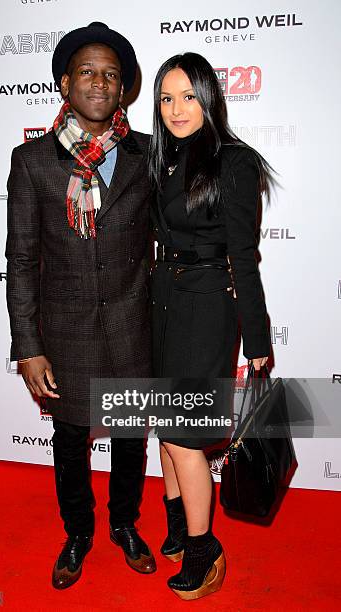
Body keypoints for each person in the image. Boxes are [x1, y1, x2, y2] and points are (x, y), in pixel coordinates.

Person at [6, 22, 155, 590]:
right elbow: (20, 261)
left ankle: (124, 525)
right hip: (64, 333)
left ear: (124, 90)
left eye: (111, 74)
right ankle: (78, 532)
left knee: (127, 440)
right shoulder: (33, 162)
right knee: (69, 442)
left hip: (131, 327)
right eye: (88, 71)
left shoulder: (145, 157)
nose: (100, 82)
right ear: (66, 82)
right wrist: (29, 347)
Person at [149, 53, 273, 600]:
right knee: (164, 427)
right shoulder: (162, 158)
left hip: (208, 305)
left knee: (183, 434)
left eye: (188, 96)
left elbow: (243, 257)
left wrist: (259, 339)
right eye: (167, 98)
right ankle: (177, 527)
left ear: (209, 97)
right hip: (162, 299)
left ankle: (204, 550)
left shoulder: (236, 163)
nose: (177, 109)